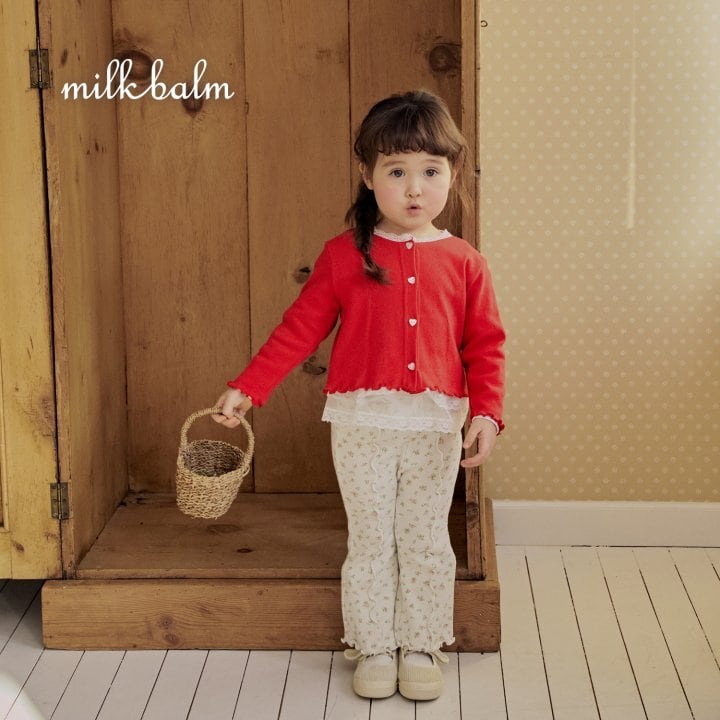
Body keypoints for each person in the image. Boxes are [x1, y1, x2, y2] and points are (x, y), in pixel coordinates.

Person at [212, 89, 506, 702]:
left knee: (424, 537)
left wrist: (487, 413)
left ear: (451, 175)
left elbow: (486, 345)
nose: (414, 188)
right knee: (371, 537)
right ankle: (372, 644)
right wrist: (249, 386)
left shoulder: (465, 262)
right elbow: (300, 329)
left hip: (434, 425)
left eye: (430, 171)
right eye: (396, 172)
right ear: (369, 176)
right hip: (361, 422)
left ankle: (421, 642)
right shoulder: (344, 255)